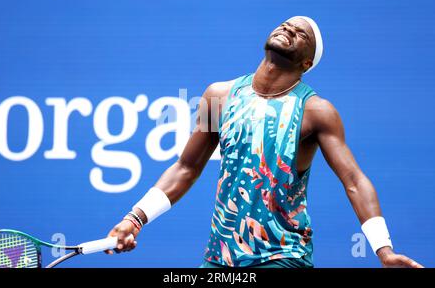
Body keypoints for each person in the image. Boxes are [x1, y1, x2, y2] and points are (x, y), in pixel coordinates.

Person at [105, 16, 423, 268]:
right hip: (219, 257)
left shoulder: (317, 111)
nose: (290, 28)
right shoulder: (219, 96)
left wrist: (383, 249)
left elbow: (353, 180)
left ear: (306, 64)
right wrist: (134, 219)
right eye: (287, 24)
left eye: (302, 34)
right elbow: (186, 168)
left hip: (283, 256)